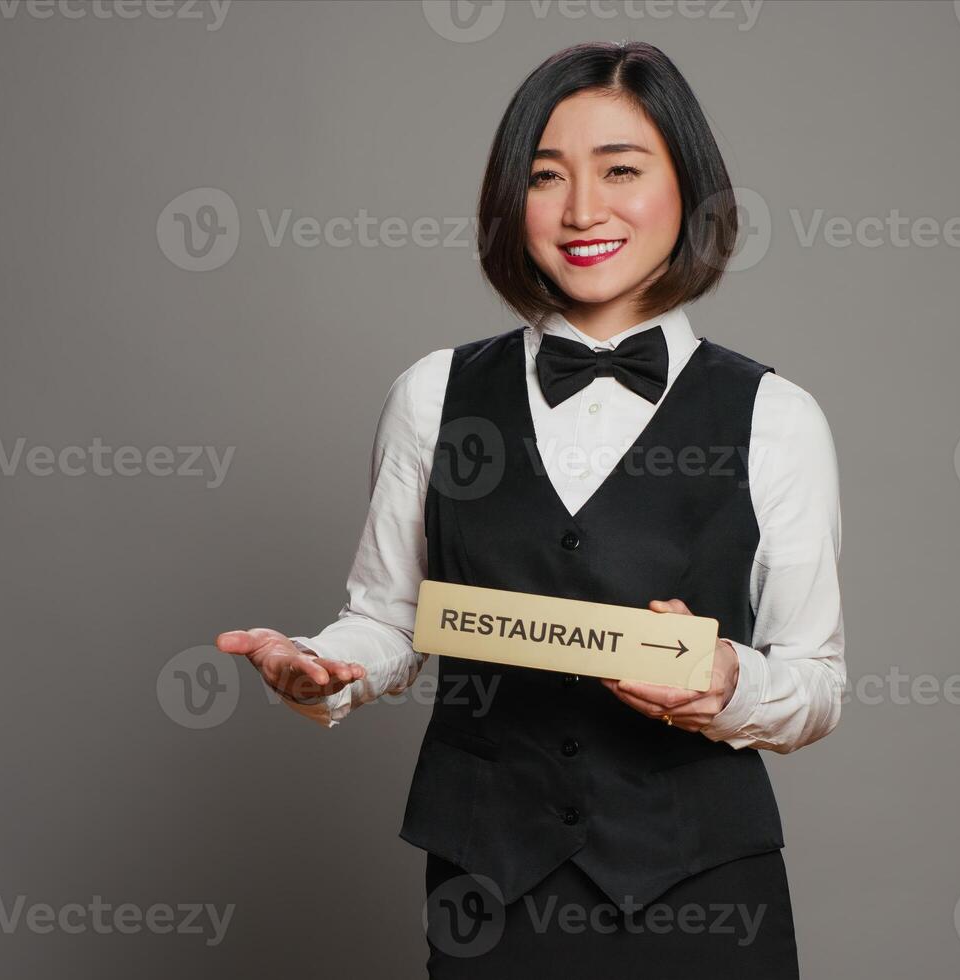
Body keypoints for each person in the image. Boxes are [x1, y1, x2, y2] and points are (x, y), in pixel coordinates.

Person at [216, 40, 844, 977]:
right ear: (513, 203)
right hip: (488, 887)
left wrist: (727, 686)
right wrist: (325, 667)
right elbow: (389, 616)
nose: (583, 210)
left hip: (706, 898)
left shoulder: (776, 417)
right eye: (547, 178)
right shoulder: (433, 393)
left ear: (690, 190)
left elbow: (816, 681)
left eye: (621, 171)